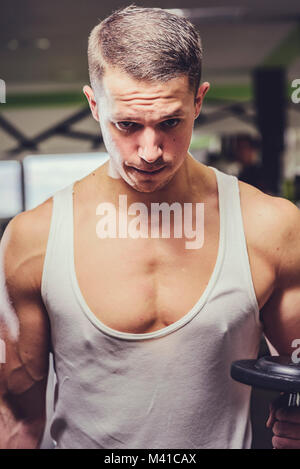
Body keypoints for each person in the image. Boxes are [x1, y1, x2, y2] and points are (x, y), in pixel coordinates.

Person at [1, 5, 300, 450]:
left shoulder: (270, 227)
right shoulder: (34, 240)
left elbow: (296, 375)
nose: (150, 150)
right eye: (126, 124)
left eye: (170, 123)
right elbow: (16, 421)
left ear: (198, 101)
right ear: (93, 104)